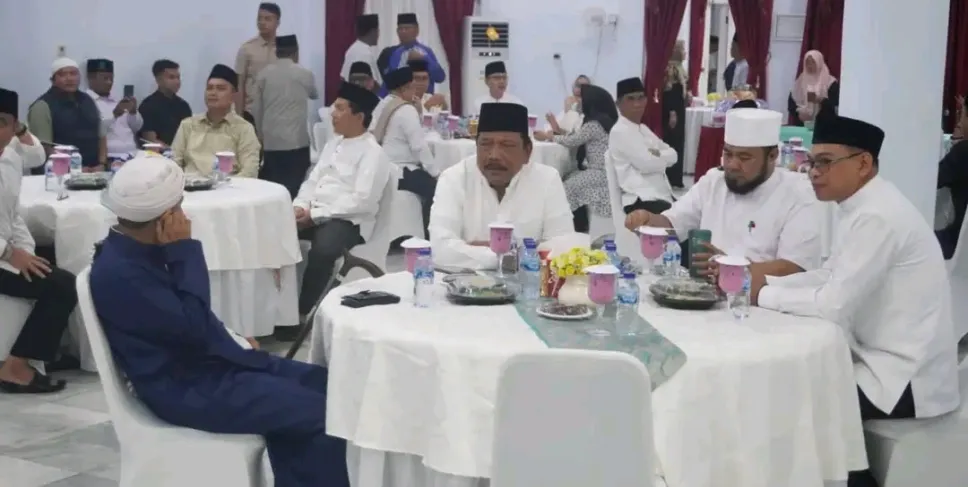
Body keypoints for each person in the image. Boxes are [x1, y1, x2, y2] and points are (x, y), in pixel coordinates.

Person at [91, 156, 350, 487]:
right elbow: (193, 326)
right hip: (187, 387)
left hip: (210, 366)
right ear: (166, 218)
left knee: (329, 386)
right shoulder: (123, 273)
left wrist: (231, 337)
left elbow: (180, 320)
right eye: (180, 208)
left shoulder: (134, 251)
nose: (185, 217)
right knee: (319, 414)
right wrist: (184, 250)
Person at [753, 115, 959, 486]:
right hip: (878, 358)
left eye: (825, 162)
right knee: (792, 385)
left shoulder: (878, 216)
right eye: (811, 162)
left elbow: (832, 305)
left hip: (904, 376)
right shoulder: (861, 207)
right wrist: (766, 282)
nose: (814, 173)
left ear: (863, 163)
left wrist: (764, 294)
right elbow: (831, 275)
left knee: (795, 399)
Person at [625, 108, 823, 278]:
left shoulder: (798, 193)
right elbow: (673, 223)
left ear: (772, 156)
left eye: (744, 158)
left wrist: (731, 268)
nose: (732, 165)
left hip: (760, 303)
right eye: (728, 154)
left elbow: (795, 268)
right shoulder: (714, 181)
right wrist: (648, 220)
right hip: (706, 295)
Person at [430, 103, 574, 270]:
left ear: (527, 151)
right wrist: (519, 255)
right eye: (486, 144)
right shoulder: (454, 178)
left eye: (507, 145)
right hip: (463, 284)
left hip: (528, 284)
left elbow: (563, 249)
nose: (494, 155)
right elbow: (440, 250)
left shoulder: (547, 179)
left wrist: (472, 251)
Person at [0, 88, 77, 394]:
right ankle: (16, 368)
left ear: (13, 127)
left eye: (2, 123)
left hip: (7, 252)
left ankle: (34, 355)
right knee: (61, 286)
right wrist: (9, 254)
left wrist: (25, 251)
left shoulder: (10, 159)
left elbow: (12, 215)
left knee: (52, 268)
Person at [294, 82, 389, 320]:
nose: (332, 114)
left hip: (349, 221)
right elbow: (312, 181)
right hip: (315, 212)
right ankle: (278, 311)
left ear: (359, 116)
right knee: (275, 233)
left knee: (324, 251)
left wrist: (316, 216)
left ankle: (305, 314)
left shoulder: (373, 153)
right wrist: (300, 206)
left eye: (339, 108)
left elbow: (362, 201)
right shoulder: (333, 144)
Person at [535, 84, 615, 233]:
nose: (578, 103)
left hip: (599, 172)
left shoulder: (593, 125)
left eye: (581, 100)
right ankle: (578, 224)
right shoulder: (604, 121)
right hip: (603, 172)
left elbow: (573, 141)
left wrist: (549, 136)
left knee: (564, 188)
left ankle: (564, 228)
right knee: (569, 177)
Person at [370, 67, 436, 236]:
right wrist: (435, 173)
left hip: (381, 168)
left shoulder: (383, 104)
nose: (415, 91)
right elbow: (419, 146)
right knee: (438, 190)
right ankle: (430, 236)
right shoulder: (405, 110)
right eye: (413, 87)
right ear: (404, 89)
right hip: (402, 171)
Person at [252, 34, 319, 199]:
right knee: (295, 191)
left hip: (271, 143)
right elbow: (314, 94)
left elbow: (256, 109)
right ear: (296, 52)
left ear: (276, 52)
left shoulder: (263, 75)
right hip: (296, 142)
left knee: (273, 191)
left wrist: (260, 136)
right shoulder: (304, 74)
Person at [170, 64, 261, 178]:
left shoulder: (244, 129)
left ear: (233, 95)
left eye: (220, 88)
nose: (213, 93)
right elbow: (172, 164)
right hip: (189, 186)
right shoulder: (188, 125)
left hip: (229, 187)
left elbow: (250, 172)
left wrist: (224, 187)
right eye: (209, 88)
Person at [27, 52, 107, 173]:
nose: (69, 78)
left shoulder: (88, 100)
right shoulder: (42, 106)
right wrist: (75, 168)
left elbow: (102, 136)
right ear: (53, 80)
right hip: (57, 174)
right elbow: (44, 148)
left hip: (93, 172)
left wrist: (102, 164)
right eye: (62, 74)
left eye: (73, 73)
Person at [610, 77, 677, 214]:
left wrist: (656, 154)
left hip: (660, 195)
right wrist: (658, 155)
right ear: (618, 104)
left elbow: (674, 155)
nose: (637, 104)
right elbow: (647, 164)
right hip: (640, 198)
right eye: (630, 99)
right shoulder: (620, 131)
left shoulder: (643, 129)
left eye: (641, 98)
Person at [235, 2, 280, 124]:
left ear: (277, 22)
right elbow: (239, 85)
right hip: (251, 114)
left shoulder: (285, 50)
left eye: (267, 19)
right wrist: (239, 117)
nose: (262, 22)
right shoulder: (247, 49)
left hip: (278, 114)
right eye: (259, 18)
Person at [86, 58, 141, 157]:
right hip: (110, 156)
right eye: (105, 79)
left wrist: (133, 112)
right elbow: (94, 130)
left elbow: (137, 127)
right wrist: (114, 115)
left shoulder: (118, 99)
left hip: (133, 153)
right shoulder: (86, 101)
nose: (109, 82)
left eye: (111, 78)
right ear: (91, 78)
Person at [380, 13, 446, 95]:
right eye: (400, 29)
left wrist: (424, 59)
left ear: (416, 30)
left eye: (407, 28)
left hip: (423, 98)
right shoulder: (395, 54)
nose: (403, 32)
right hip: (400, 99)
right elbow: (388, 82)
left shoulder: (426, 51)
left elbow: (440, 77)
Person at [139, 59, 193, 146]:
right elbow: (150, 140)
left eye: (178, 77)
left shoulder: (183, 105)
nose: (177, 82)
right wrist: (172, 151)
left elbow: (190, 136)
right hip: (159, 152)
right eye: (171, 77)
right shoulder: (148, 105)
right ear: (158, 80)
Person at [788, 50, 837, 125]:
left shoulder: (830, 82)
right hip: (802, 123)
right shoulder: (801, 80)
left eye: (813, 62)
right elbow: (791, 102)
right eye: (807, 62)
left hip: (824, 124)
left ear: (819, 62)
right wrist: (798, 113)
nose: (810, 65)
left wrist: (820, 100)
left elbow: (835, 104)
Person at [341, 14, 381, 86]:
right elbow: (371, 85)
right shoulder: (365, 54)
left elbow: (343, 77)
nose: (378, 35)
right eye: (378, 31)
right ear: (373, 32)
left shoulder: (352, 49)